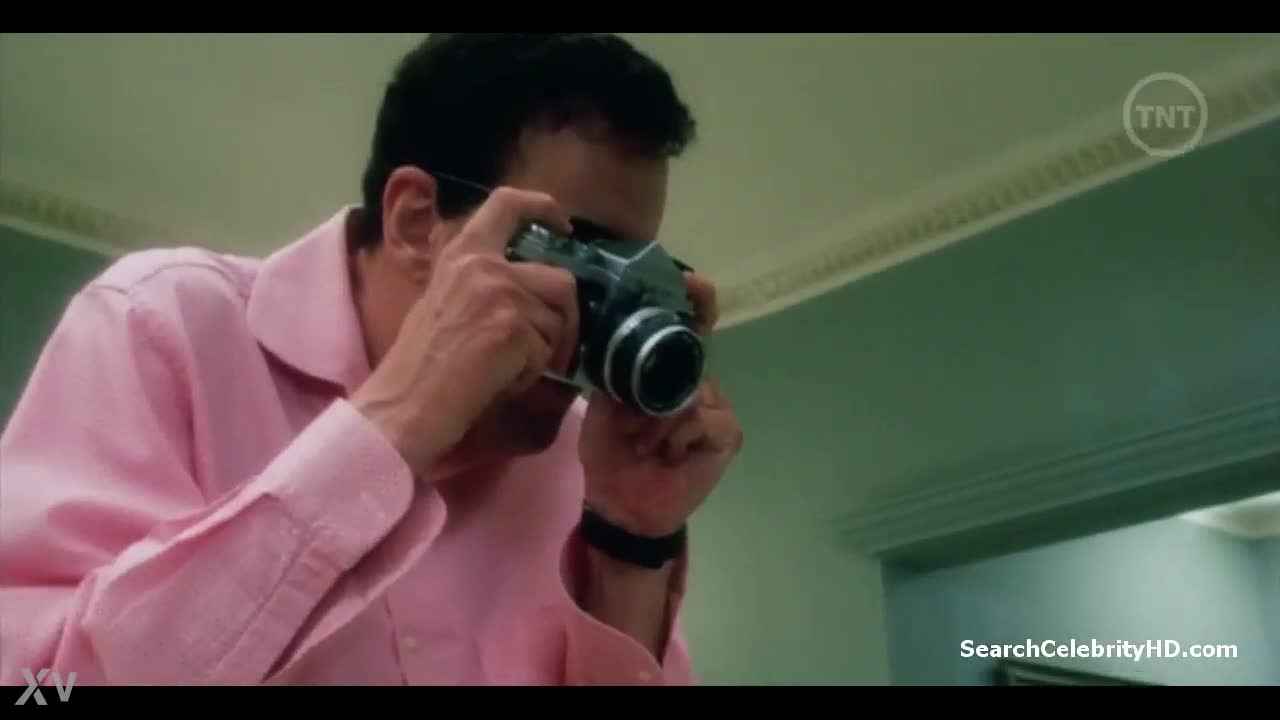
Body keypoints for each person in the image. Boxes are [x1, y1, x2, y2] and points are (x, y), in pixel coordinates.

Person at [0, 33, 743, 686]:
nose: (591, 321)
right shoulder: (165, 323)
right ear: (416, 220)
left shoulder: (579, 459)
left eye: (629, 277)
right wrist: (395, 425)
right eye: (577, 257)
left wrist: (629, 541)